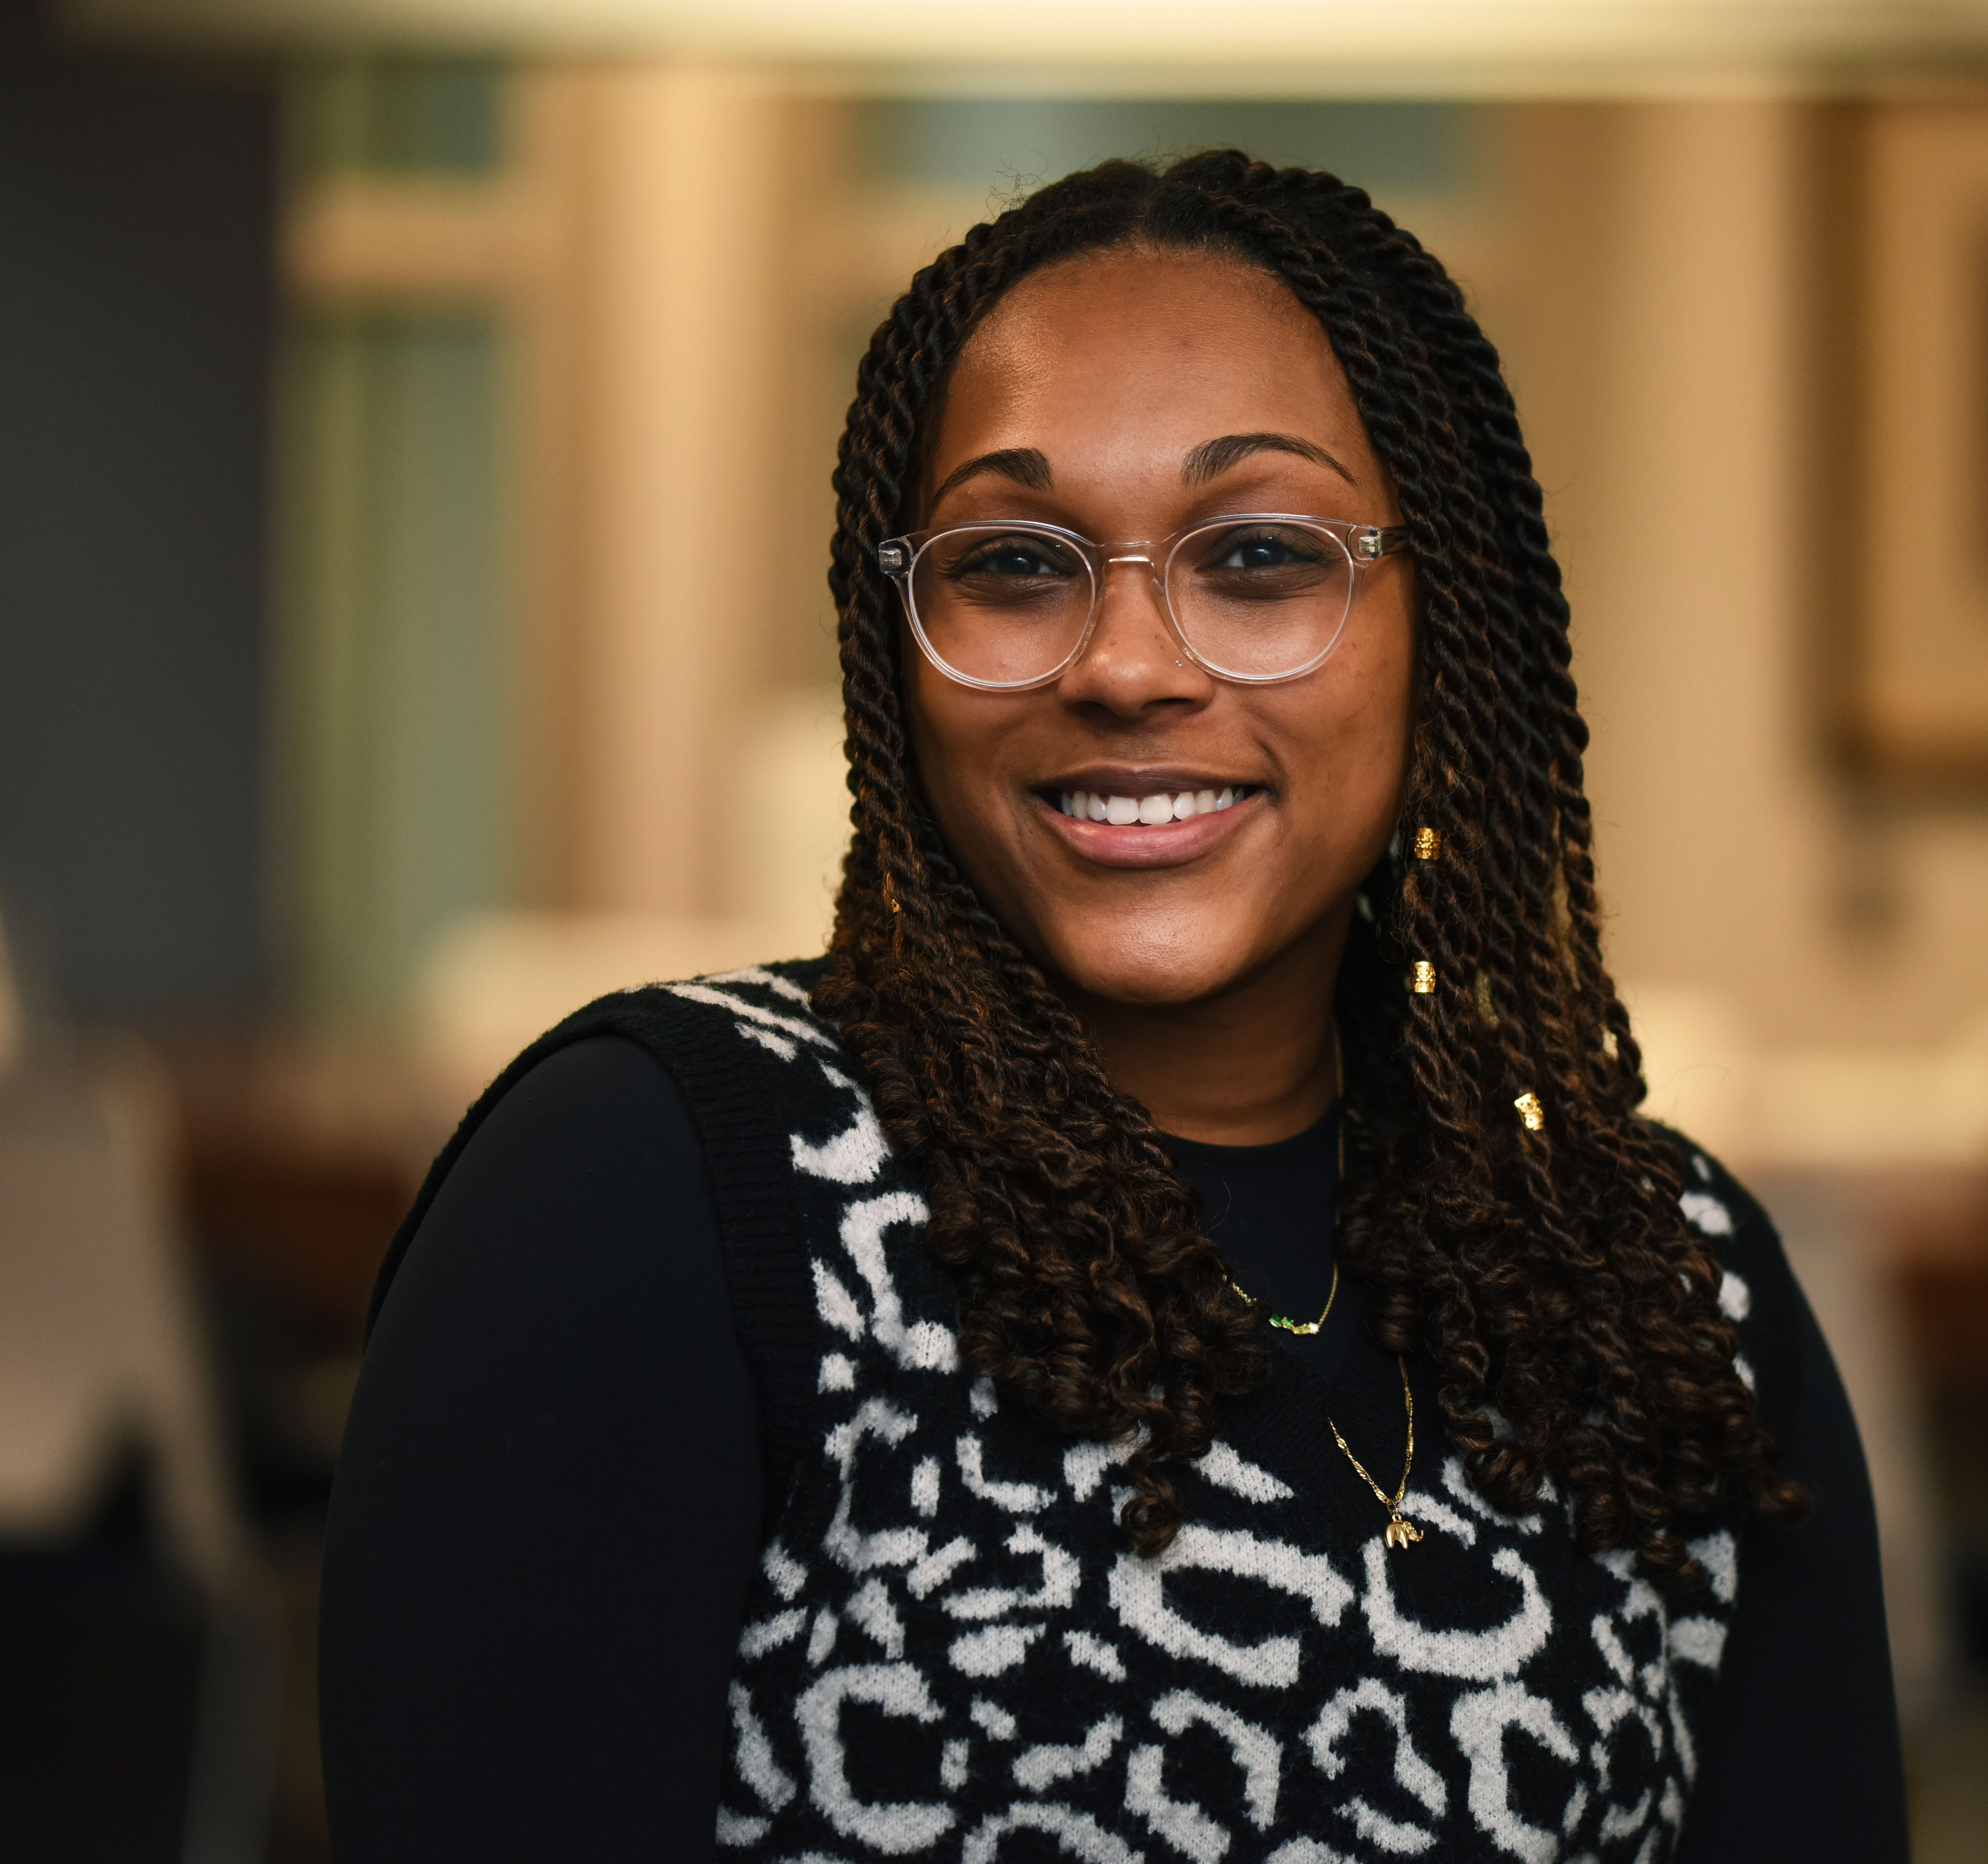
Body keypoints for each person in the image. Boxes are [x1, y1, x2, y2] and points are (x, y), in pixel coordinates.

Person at [319, 150, 1908, 1862]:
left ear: (1443, 625)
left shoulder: (1661, 1281)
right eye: (1014, 563)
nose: (1129, 666)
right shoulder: (657, 1188)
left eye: (1260, 557)